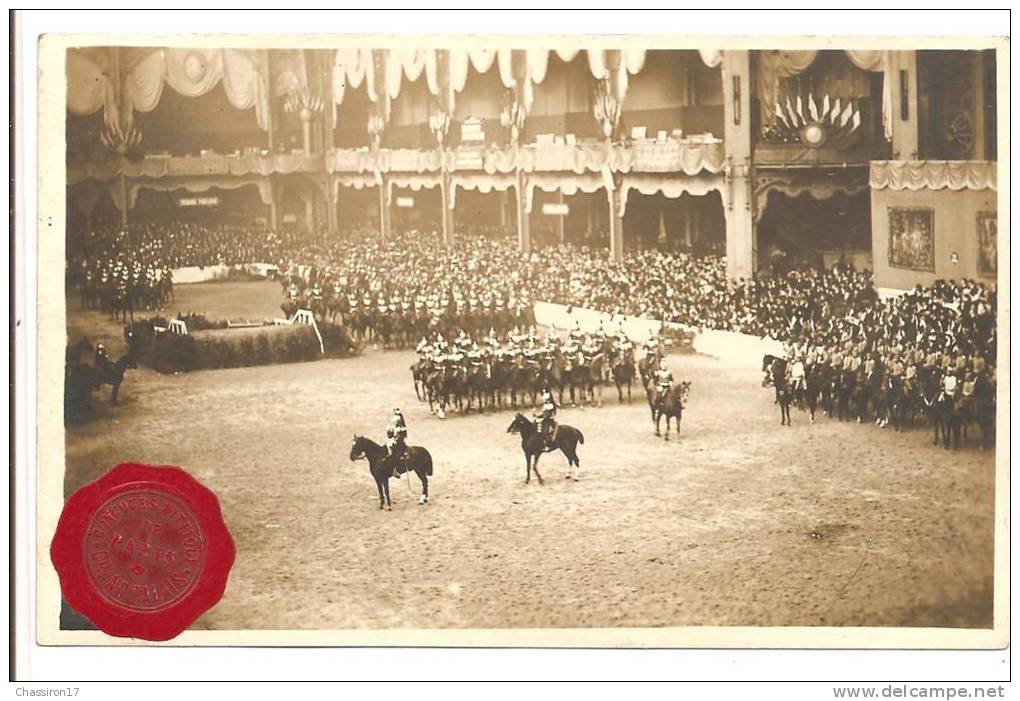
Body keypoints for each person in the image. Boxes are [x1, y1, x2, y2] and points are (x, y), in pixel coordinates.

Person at [386, 408, 408, 478]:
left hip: (400, 445)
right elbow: (389, 436)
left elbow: (402, 437)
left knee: (394, 456)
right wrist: (389, 431)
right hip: (393, 443)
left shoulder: (402, 429)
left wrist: (396, 440)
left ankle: (395, 471)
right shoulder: (394, 427)